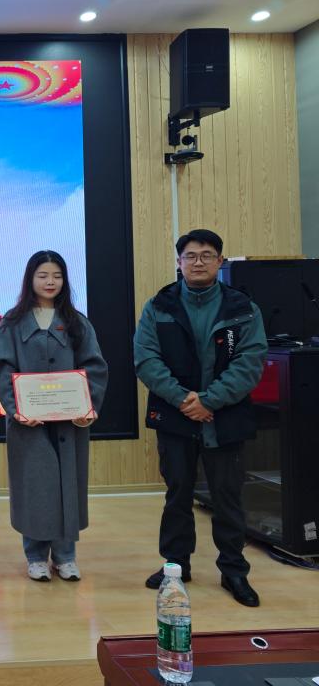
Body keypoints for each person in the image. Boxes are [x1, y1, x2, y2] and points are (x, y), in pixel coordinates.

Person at [134, 229, 266, 607]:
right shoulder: (159, 305)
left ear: (220, 262)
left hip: (225, 416)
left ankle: (234, 571)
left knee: (228, 496)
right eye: (190, 256)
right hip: (175, 416)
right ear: (179, 262)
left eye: (207, 255)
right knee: (178, 494)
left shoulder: (242, 307)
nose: (198, 262)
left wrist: (209, 400)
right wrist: (184, 400)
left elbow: (251, 361)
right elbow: (146, 359)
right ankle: (176, 566)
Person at [0, 250, 107, 582]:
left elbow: (94, 367)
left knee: (67, 484)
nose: (50, 282)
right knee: (35, 487)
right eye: (42, 275)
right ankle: (36, 556)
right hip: (28, 424)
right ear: (30, 279)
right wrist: (17, 409)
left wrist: (87, 407)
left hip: (69, 423)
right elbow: (2, 369)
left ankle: (66, 556)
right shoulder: (12, 323)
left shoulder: (77, 322)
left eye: (57, 276)